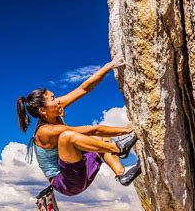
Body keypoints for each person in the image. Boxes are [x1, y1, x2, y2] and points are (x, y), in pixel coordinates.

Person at [16, 55, 141, 198]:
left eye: (55, 97)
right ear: (42, 110)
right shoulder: (45, 132)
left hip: (79, 168)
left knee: (102, 138)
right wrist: (125, 130)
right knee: (67, 137)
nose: (57, 101)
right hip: (67, 182)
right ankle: (119, 149)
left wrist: (109, 66)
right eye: (52, 99)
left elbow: (83, 89)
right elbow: (91, 130)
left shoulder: (55, 109)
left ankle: (122, 174)